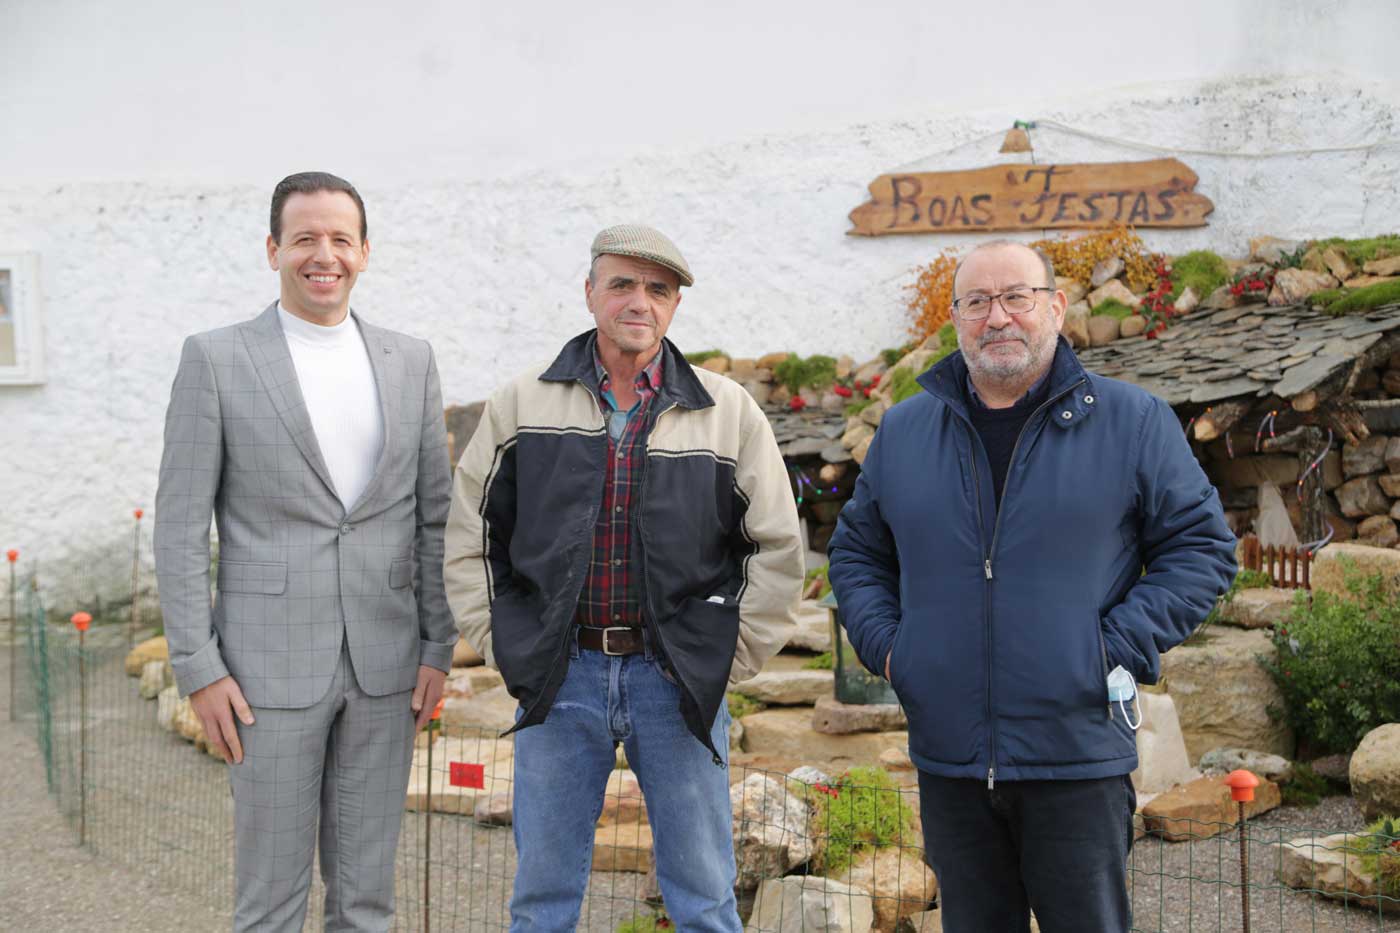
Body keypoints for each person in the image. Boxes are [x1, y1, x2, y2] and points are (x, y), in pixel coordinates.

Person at [827, 240, 1236, 933]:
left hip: (1075, 754)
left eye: (1016, 297)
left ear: (1056, 307)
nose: (998, 317)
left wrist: (1108, 648)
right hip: (951, 761)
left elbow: (1202, 548)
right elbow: (857, 552)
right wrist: (894, 651)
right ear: (956, 318)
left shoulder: (1132, 421)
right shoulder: (904, 431)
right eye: (977, 302)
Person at [444, 224, 804, 932]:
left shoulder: (726, 410)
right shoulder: (521, 404)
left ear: (674, 306)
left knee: (704, 897)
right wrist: (504, 644)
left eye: (658, 289)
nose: (640, 300)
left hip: (676, 681)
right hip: (559, 676)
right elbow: (472, 535)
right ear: (590, 292)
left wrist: (726, 656)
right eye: (622, 284)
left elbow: (775, 546)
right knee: (542, 900)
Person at [154, 171, 456, 932]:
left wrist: (437, 644)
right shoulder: (216, 359)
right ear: (273, 249)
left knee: (366, 900)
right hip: (263, 672)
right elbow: (180, 528)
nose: (325, 255)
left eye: (341, 239)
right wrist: (198, 666)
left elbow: (433, 517)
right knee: (270, 903)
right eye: (305, 238)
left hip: (387, 668)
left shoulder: (411, 360)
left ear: (364, 252)